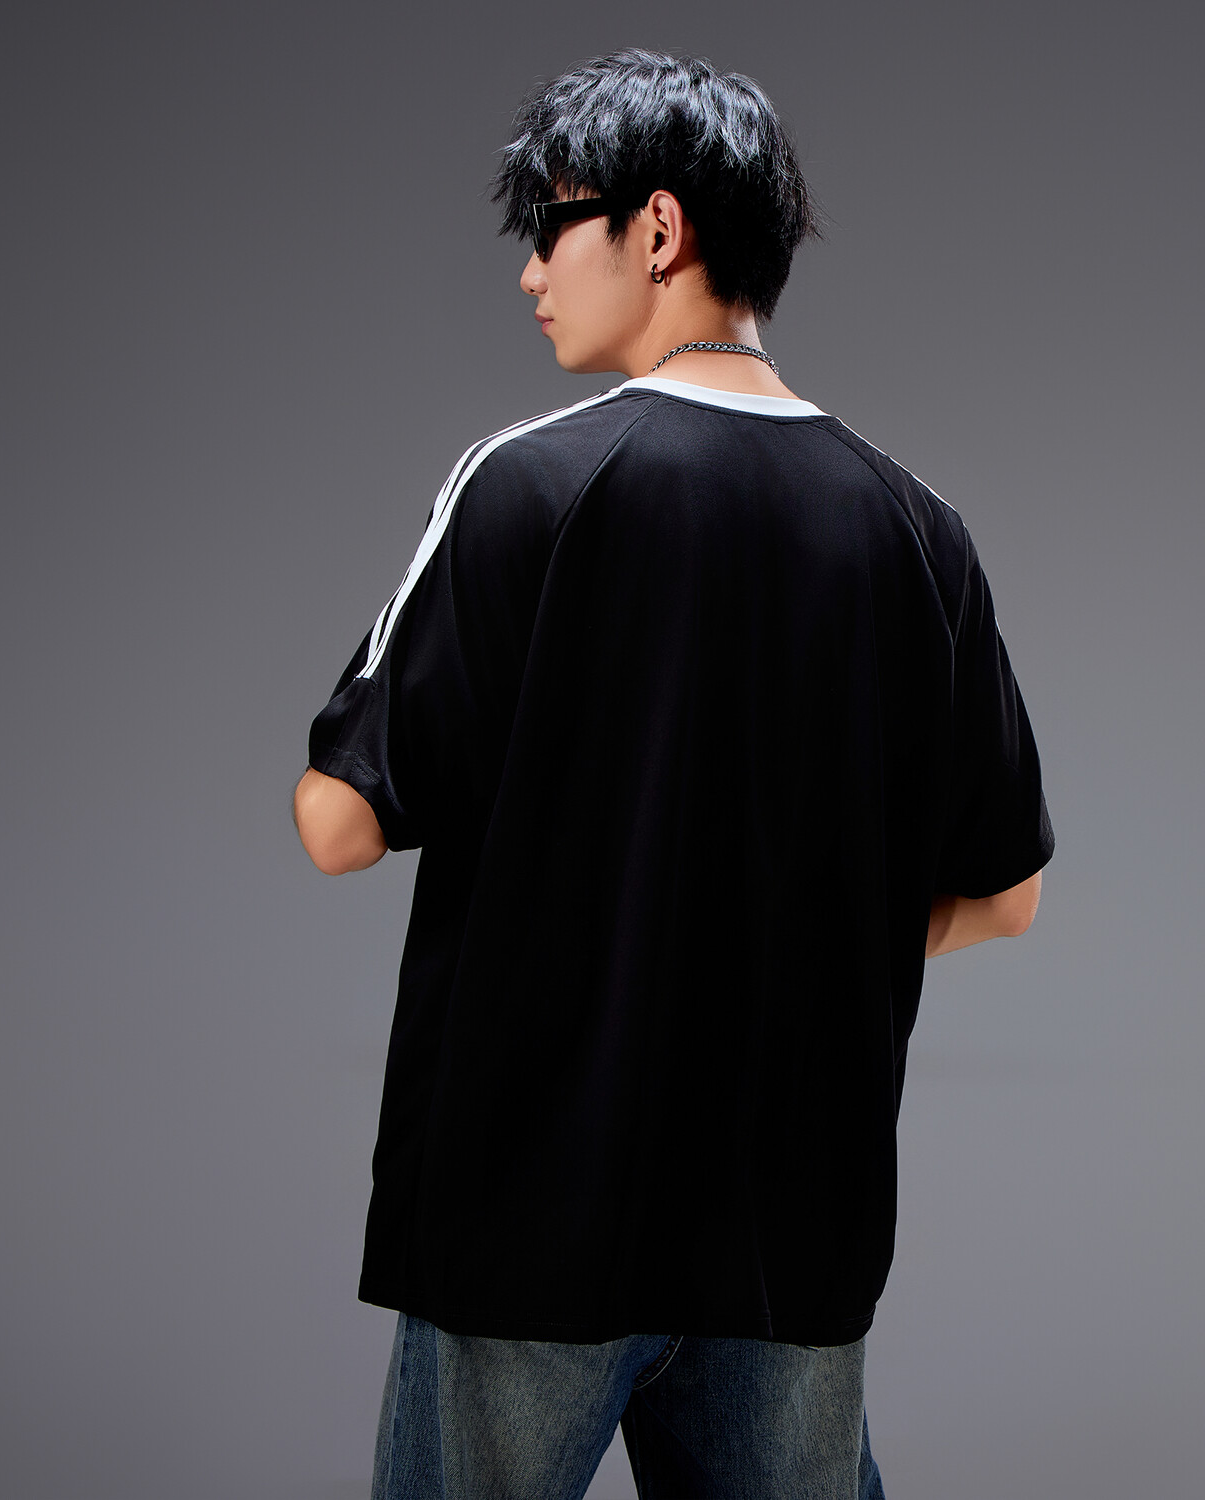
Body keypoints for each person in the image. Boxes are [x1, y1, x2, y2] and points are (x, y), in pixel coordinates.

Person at [292, 47, 1054, 1500]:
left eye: (551, 224)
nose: (530, 271)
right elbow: (1004, 896)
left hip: (528, 1222)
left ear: (657, 230)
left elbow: (339, 824)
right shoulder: (919, 531)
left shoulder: (529, 484)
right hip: (790, 1239)